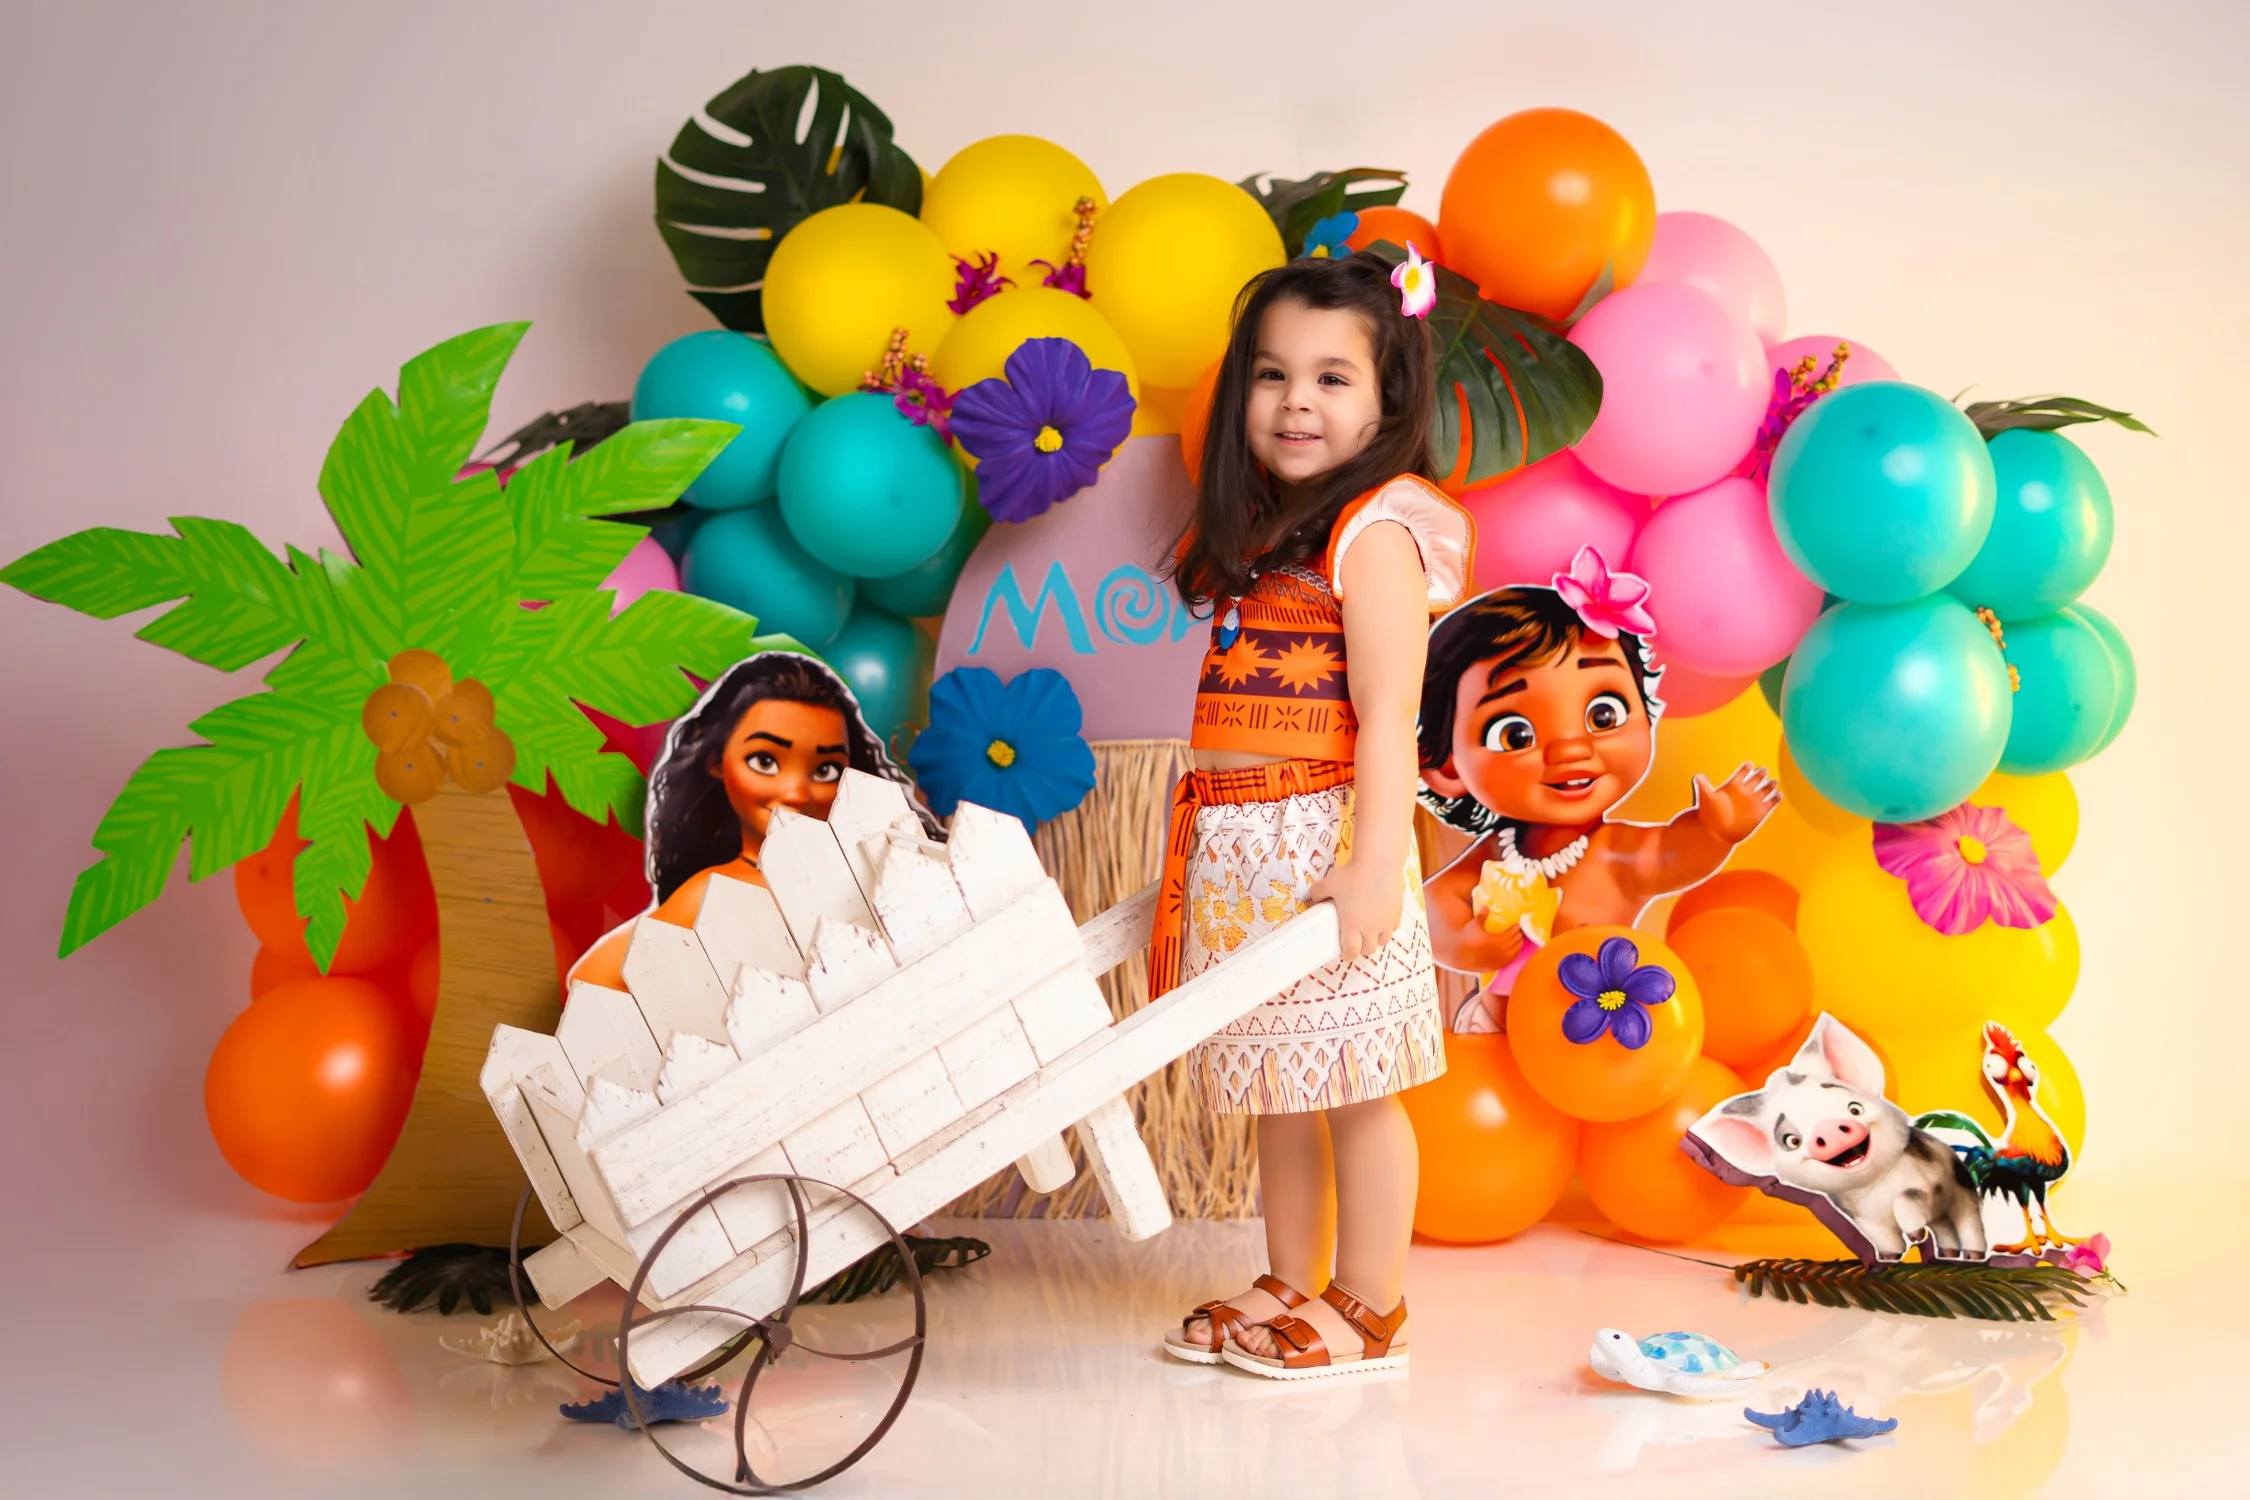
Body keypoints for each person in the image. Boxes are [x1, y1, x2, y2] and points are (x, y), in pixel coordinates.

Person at [1154, 250, 1471, 1380]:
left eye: (1333, 378)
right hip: (1244, 847)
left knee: (1358, 1087)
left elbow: (1387, 716)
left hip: (1326, 844)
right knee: (1281, 1086)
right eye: (1273, 374)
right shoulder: (1271, 535)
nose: (1297, 401)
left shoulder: (1374, 534)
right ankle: (1292, 1277)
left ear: (1389, 400)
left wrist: (1375, 867)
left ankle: (1372, 1303)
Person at [1416, 572, 1778, 1032]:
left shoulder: (1614, 852)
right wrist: (1464, 943)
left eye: (1603, 714)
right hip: (1496, 1034)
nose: (1571, 750)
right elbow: (1433, 905)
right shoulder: (1496, 856)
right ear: (1448, 768)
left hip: (1602, 1037)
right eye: (1515, 734)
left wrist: (1715, 831)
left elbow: (1668, 855)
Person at [569, 651, 932, 990]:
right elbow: (592, 982)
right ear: (717, 762)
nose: (796, 793)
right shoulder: (716, 892)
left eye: (826, 769)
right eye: (765, 761)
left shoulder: (866, 865)